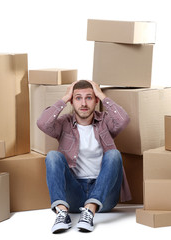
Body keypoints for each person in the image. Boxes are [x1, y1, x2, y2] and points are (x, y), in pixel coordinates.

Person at [37, 80, 131, 233]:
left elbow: (123, 120)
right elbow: (42, 123)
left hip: (104, 196)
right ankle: (61, 213)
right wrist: (64, 98)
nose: (83, 103)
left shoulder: (105, 121)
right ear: (72, 102)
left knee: (114, 155)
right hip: (74, 195)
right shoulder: (64, 123)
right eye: (78, 98)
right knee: (53, 156)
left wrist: (101, 94)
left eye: (89, 97)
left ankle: (90, 210)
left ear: (95, 100)